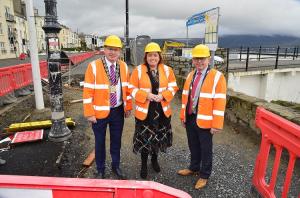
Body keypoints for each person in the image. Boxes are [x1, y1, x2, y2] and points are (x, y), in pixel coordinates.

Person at [178, 44, 227, 189]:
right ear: (193, 60)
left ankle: (204, 175)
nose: (199, 62)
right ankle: (193, 167)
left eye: (202, 59)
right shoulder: (191, 75)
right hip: (191, 117)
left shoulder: (217, 77)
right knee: (193, 145)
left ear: (209, 59)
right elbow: (185, 98)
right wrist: (183, 116)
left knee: (206, 149)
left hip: (206, 121)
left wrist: (216, 124)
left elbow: (220, 101)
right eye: (196, 59)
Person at [83, 35, 132, 179]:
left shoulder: (123, 66)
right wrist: (89, 113)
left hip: (117, 110)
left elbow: (127, 89)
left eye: (116, 50)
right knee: (99, 142)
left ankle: (116, 166)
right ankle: (100, 169)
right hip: (98, 112)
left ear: (120, 52)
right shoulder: (93, 66)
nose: (113, 52)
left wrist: (128, 107)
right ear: (104, 50)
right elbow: (87, 92)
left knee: (116, 141)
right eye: (110, 49)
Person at [129, 42, 178, 179]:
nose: (153, 58)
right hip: (145, 112)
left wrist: (163, 96)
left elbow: (173, 88)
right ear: (146, 57)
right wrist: (146, 95)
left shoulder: (167, 70)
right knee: (145, 139)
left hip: (161, 111)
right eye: (150, 55)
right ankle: (144, 164)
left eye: (155, 55)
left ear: (159, 56)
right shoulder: (138, 70)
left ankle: (154, 160)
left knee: (158, 137)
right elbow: (131, 89)